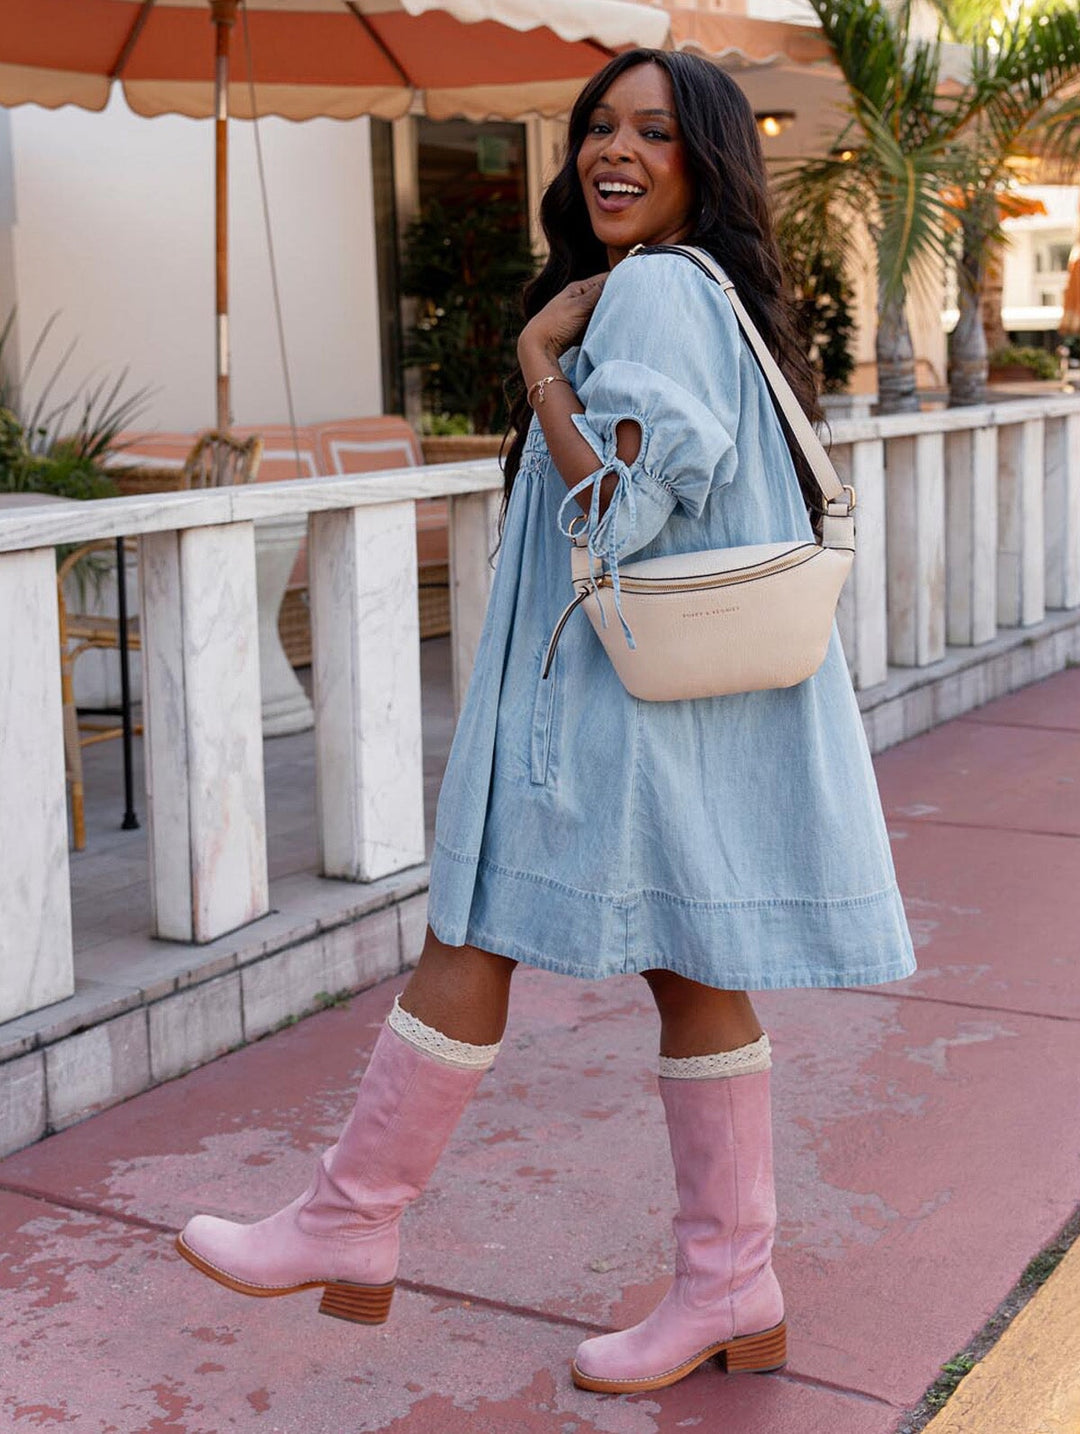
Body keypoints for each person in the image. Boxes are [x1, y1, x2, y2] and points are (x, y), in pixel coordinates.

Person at [176, 48, 915, 1394]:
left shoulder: (648, 294)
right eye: (596, 128)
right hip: (666, 708)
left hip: (613, 712)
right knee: (685, 969)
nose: (610, 152)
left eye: (651, 131)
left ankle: (356, 1216)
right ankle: (728, 1281)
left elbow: (619, 508)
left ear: (705, 160)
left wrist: (536, 363)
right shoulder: (699, 291)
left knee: (478, 925)